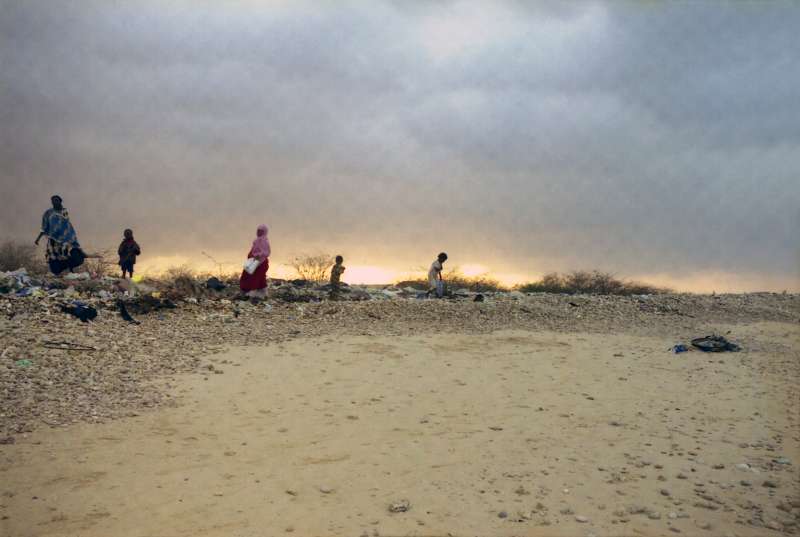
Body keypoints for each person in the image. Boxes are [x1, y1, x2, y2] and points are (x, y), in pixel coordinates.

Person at [35, 195, 85, 275]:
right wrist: (38, 238)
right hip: (53, 239)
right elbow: (44, 226)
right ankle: (60, 269)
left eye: (56, 200)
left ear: (60, 201)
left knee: (76, 257)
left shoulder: (64, 211)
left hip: (67, 239)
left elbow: (66, 224)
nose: (54, 202)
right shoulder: (48, 213)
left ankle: (69, 267)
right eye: (53, 201)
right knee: (54, 261)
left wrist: (72, 237)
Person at [240, 224, 270, 297]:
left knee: (256, 277)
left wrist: (258, 256)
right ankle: (263, 293)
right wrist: (250, 255)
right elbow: (253, 250)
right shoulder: (256, 241)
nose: (258, 232)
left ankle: (252, 292)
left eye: (260, 231)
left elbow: (266, 252)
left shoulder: (265, 241)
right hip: (253, 261)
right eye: (258, 231)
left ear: (264, 232)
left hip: (261, 263)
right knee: (247, 275)